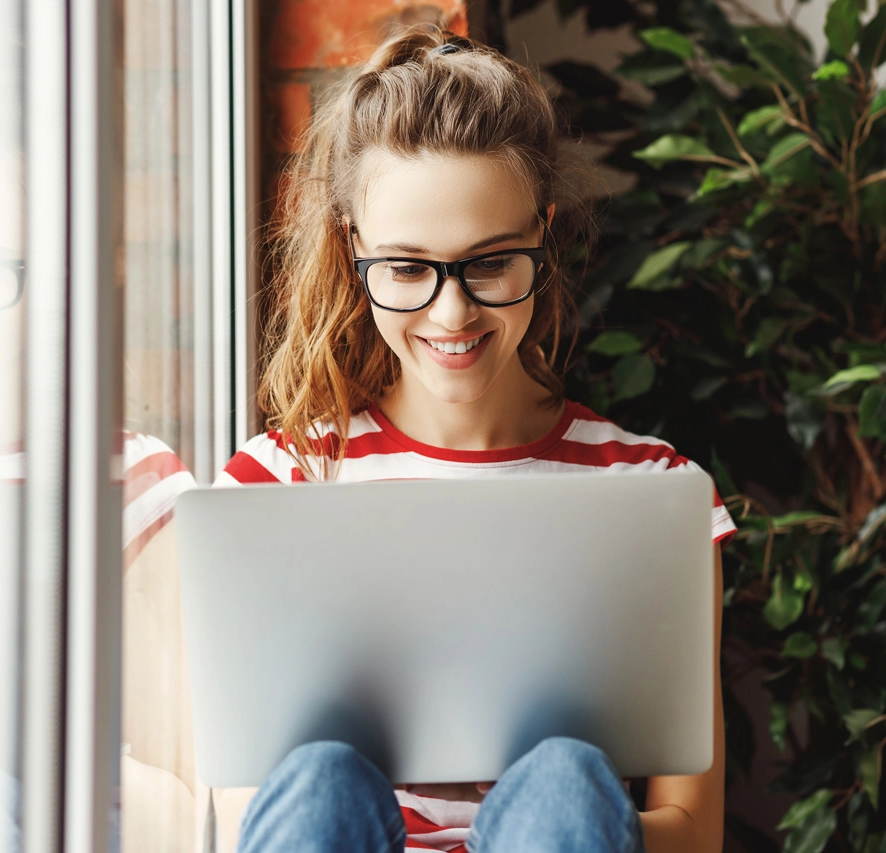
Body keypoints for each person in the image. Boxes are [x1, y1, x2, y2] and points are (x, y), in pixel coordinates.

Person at [214, 24, 736, 853]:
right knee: (319, 779)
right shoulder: (277, 484)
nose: (452, 313)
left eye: (490, 262)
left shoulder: (652, 492)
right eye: (407, 268)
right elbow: (244, 811)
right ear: (353, 246)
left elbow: (692, 831)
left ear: (543, 233)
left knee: (564, 775)